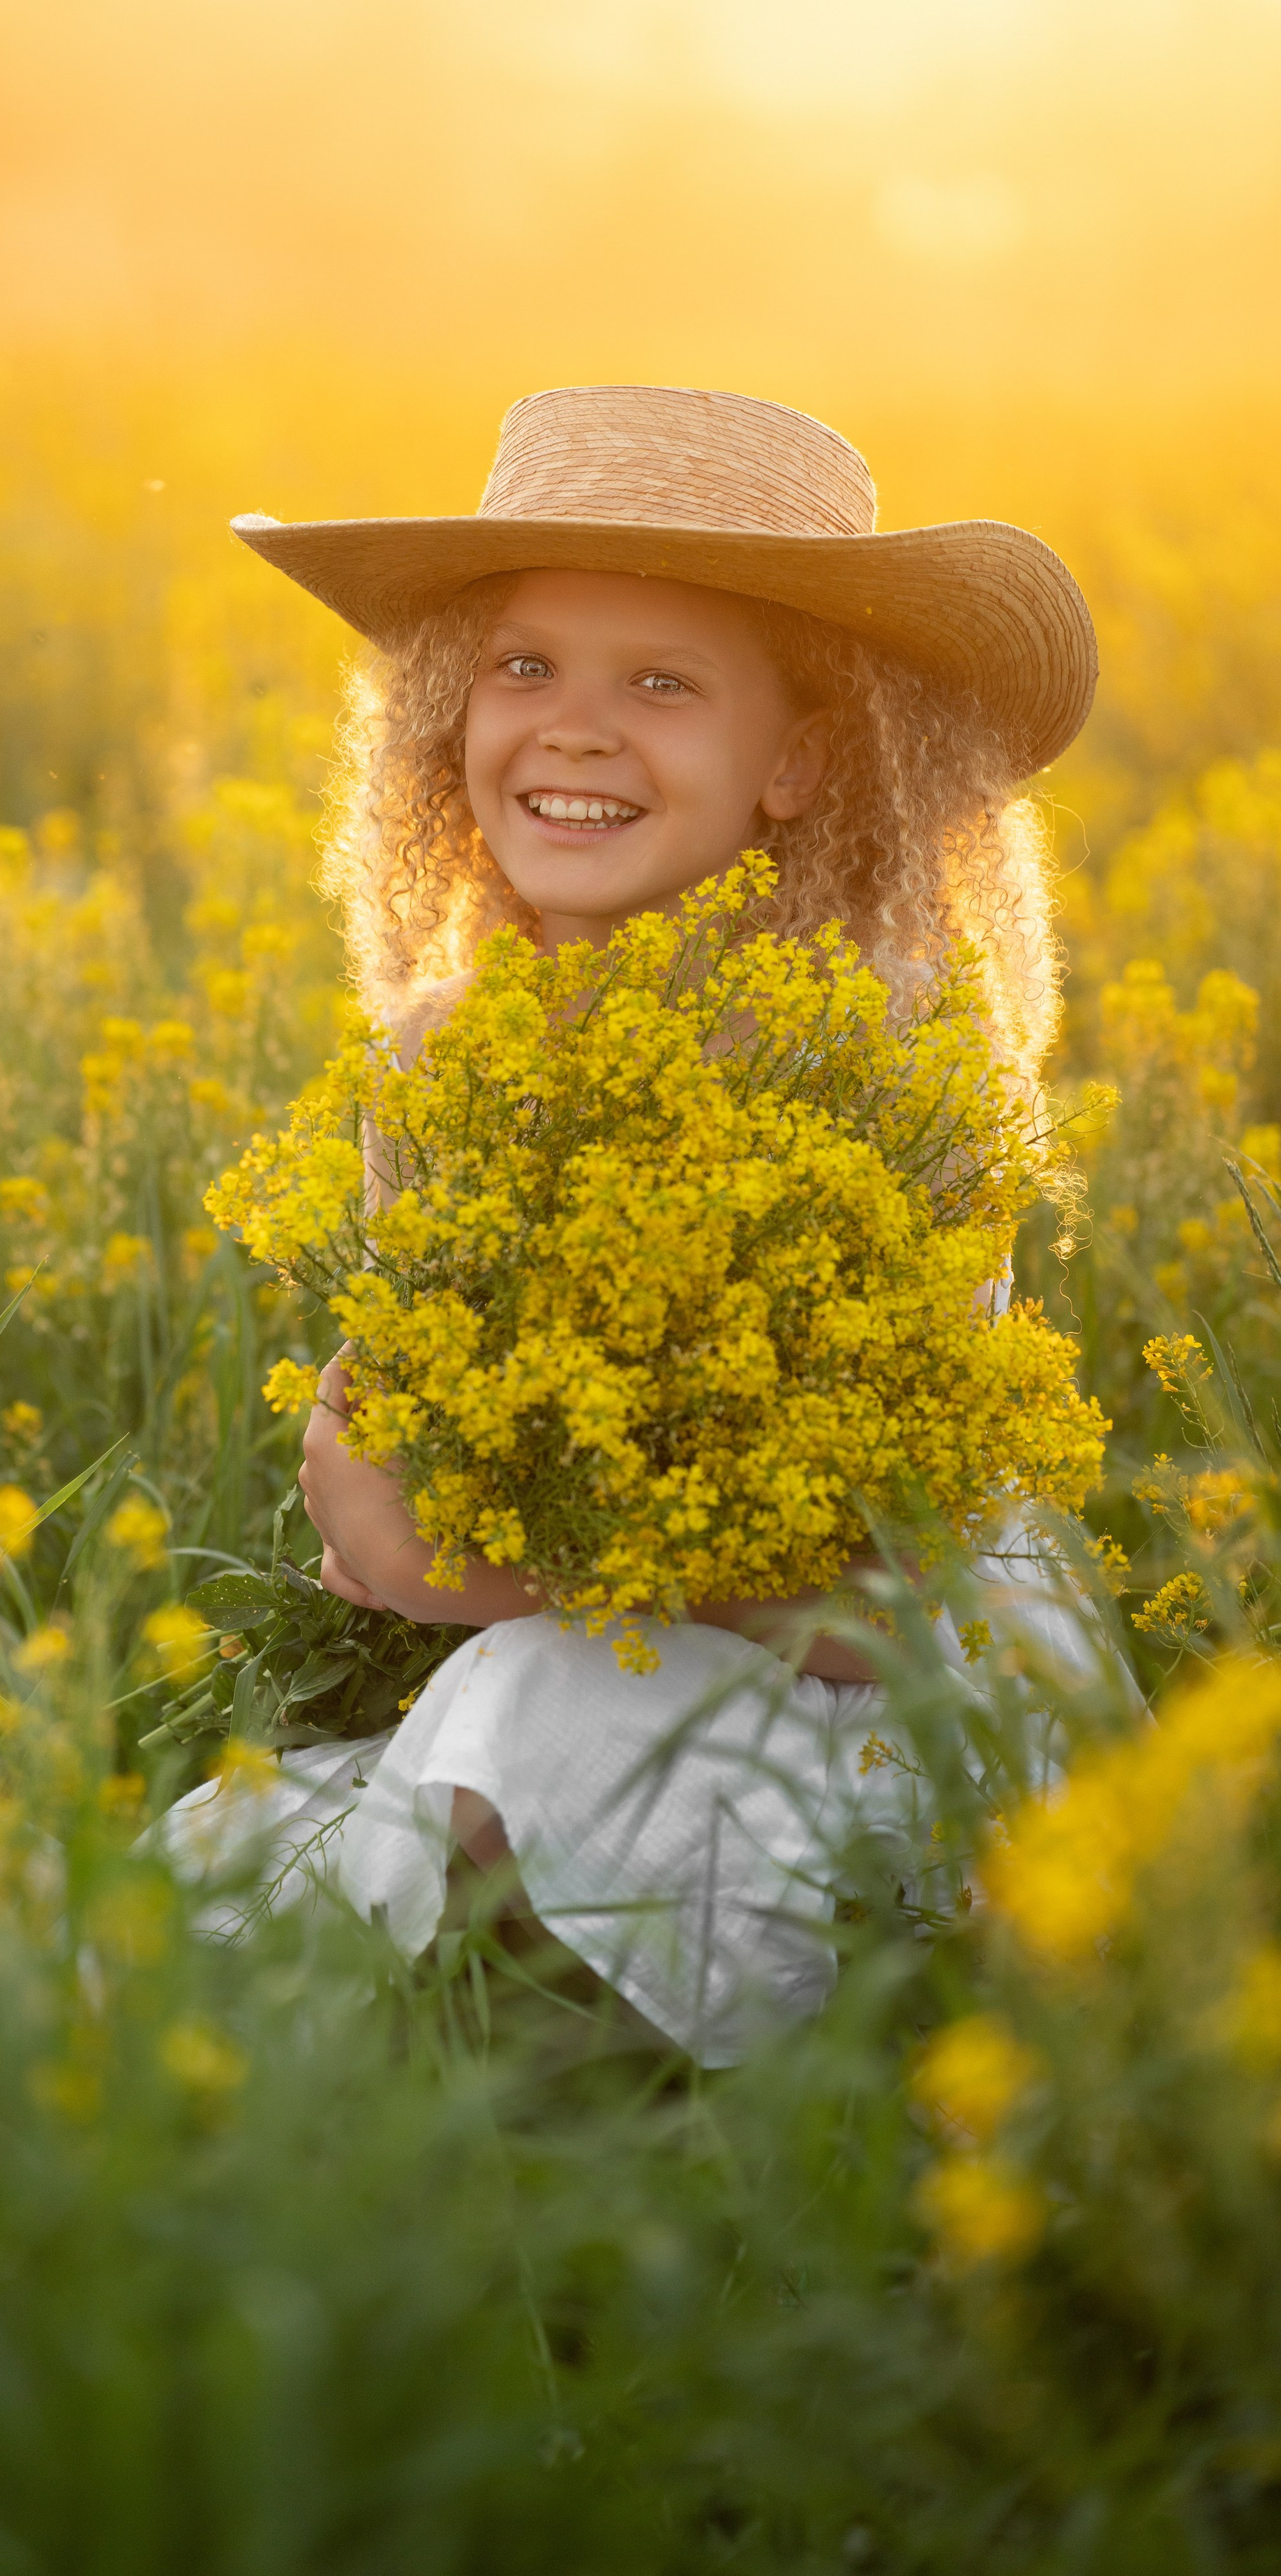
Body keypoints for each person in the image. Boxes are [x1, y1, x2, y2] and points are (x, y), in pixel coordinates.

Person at [156, 384, 1100, 2060]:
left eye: (659, 682)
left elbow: (875, 1616)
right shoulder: (443, 1056)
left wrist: (459, 1578)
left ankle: (502, 2121)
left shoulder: (880, 1066)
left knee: (540, 1713)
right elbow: (388, 1441)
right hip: (598, 1658)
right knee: (206, 1874)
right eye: (524, 668)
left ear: (802, 760)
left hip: (887, 1714)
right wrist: (394, 1525)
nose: (572, 728)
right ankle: (384, 2095)